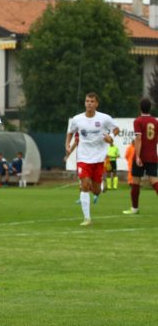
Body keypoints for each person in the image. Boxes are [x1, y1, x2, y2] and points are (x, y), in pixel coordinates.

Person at [65, 92, 119, 226]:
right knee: (84, 185)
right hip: (83, 158)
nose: (89, 103)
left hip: (99, 159)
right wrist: (67, 144)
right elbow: (70, 132)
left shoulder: (104, 118)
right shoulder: (77, 119)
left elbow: (116, 129)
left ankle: (98, 189)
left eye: (92, 101)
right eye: (87, 101)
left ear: (96, 104)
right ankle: (87, 218)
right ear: (85, 103)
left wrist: (110, 137)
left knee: (95, 190)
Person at [123, 98, 158, 214]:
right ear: (150, 108)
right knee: (154, 181)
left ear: (140, 108)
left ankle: (134, 208)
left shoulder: (138, 121)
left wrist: (137, 156)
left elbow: (138, 138)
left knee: (135, 182)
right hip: (152, 155)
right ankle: (134, 209)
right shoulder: (155, 122)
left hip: (141, 156)